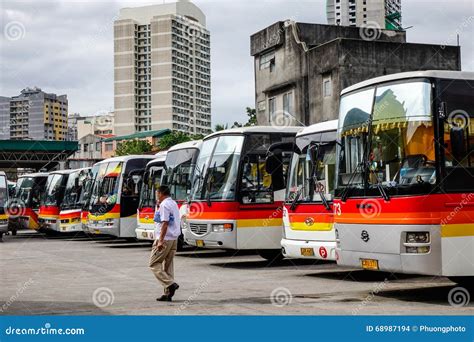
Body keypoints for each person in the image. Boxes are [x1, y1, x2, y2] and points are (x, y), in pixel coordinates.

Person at [149, 185, 181, 302]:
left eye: (157, 193)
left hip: (165, 239)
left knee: (153, 263)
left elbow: (165, 223)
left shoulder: (164, 205)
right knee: (168, 265)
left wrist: (160, 240)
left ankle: (170, 284)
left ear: (161, 193)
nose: (156, 195)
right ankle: (168, 294)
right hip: (173, 239)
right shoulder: (173, 203)